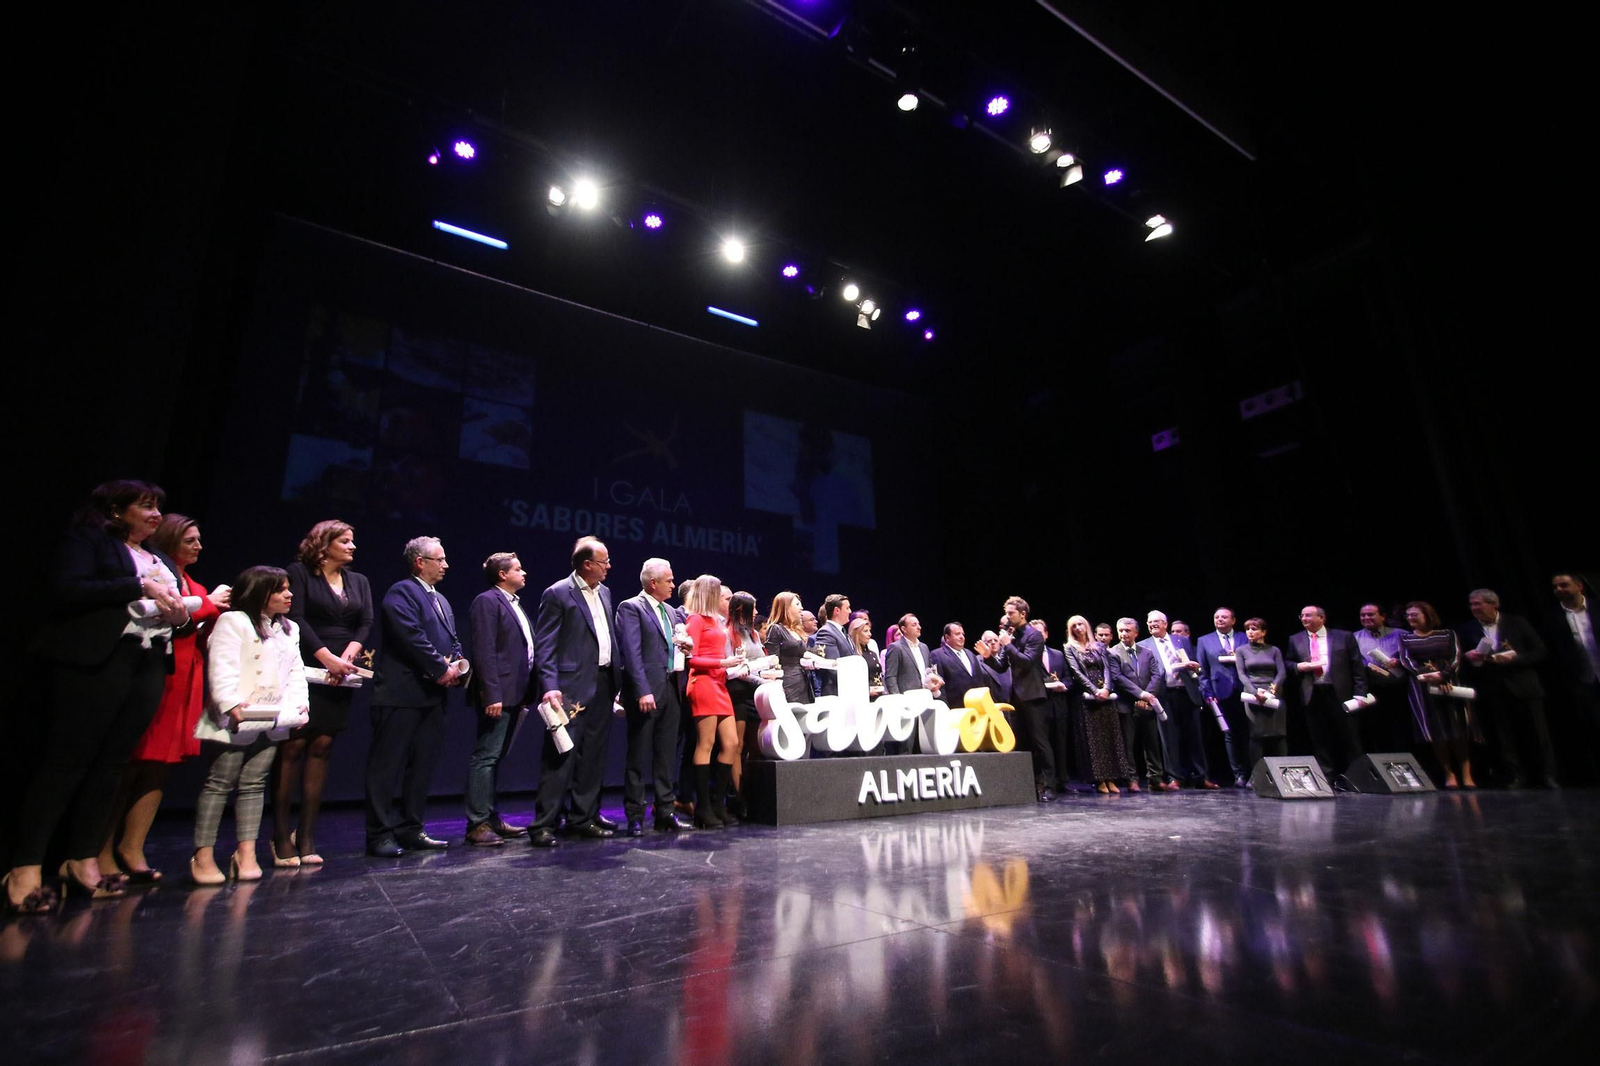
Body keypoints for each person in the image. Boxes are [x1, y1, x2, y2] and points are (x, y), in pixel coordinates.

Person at [8, 481, 188, 914]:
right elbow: (68, 590)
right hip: (96, 660)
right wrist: (136, 587)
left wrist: (182, 615)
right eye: (146, 507)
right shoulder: (90, 543)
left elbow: (175, 609)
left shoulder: (159, 559)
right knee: (65, 762)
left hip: (146, 664)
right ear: (115, 510)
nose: (156, 515)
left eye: (158, 508)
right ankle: (25, 867)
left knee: (112, 765)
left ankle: (82, 859)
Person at [99, 513, 230, 884]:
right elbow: (177, 618)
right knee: (131, 764)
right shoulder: (160, 578)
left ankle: (133, 847)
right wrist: (208, 603)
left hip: (187, 677)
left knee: (159, 766)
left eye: (199, 540)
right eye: (191, 539)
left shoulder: (194, 584)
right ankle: (101, 849)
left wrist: (215, 615)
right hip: (159, 675)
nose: (199, 546)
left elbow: (198, 632)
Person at [190, 567, 309, 884]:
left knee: (254, 784)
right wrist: (229, 704)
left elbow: (294, 671)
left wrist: (300, 705)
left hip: (271, 717)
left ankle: (246, 852)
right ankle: (202, 855)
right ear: (260, 593)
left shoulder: (289, 629)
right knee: (220, 784)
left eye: (288, 589)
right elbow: (222, 666)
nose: (289, 595)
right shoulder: (234, 622)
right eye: (281, 590)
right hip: (237, 718)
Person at [277, 520, 372, 866]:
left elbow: (365, 622)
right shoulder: (299, 573)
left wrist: (349, 654)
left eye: (352, 541)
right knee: (294, 745)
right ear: (324, 542)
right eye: (345, 541)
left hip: (340, 673)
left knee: (322, 744)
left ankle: (306, 835)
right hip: (305, 662)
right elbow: (296, 617)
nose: (352, 546)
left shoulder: (358, 581)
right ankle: (279, 835)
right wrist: (325, 656)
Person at [365, 537, 463, 857]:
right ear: (420, 562)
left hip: (432, 696)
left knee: (422, 766)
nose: (446, 565)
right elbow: (410, 636)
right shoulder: (402, 591)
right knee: (387, 766)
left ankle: (411, 829)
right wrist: (439, 667)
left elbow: (452, 641)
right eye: (440, 559)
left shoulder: (442, 601)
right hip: (401, 694)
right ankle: (379, 834)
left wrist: (457, 667)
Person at [529, 537, 619, 846]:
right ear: (587, 564)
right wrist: (550, 686)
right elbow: (546, 644)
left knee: (593, 756)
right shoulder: (558, 593)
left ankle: (582, 818)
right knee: (560, 756)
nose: (609, 566)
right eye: (604, 561)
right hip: (569, 687)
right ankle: (544, 824)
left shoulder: (604, 593)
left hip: (604, 683)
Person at [614, 558, 693, 836]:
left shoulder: (672, 612)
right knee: (638, 755)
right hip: (647, 691)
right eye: (669, 580)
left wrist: (687, 650)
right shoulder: (631, 607)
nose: (673, 584)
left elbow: (675, 650)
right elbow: (631, 653)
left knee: (665, 755)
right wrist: (642, 689)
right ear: (653, 583)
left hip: (671, 688)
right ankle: (635, 815)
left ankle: (665, 811)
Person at [463, 553, 535, 846]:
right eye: (518, 569)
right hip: (498, 694)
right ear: (502, 575)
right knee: (486, 756)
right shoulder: (487, 601)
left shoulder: (512, 603)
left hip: (516, 693)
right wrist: (491, 693)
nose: (524, 572)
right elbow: (484, 649)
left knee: (497, 757)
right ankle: (477, 823)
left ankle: (490, 817)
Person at [1461, 589, 1557, 788]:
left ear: (1493, 604)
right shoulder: (1468, 629)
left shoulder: (1517, 623)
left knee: (1537, 733)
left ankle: (1546, 775)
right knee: (1503, 736)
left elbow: (1540, 652)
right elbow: (1462, 660)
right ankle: (1514, 775)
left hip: (1523, 686)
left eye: (1478, 604)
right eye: (1472, 605)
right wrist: (1470, 658)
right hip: (1492, 689)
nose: (1474, 608)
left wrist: (1515, 658)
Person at [684, 575, 744, 827]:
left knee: (730, 743)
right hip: (703, 684)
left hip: (719, 684)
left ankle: (717, 804)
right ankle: (704, 807)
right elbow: (691, 658)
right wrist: (722, 662)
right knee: (706, 743)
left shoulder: (715, 622)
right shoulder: (695, 620)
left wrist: (732, 660)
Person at [1398, 601, 1476, 789]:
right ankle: (1449, 774)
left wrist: (1443, 675)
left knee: (1458, 730)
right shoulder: (1406, 638)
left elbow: (1456, 657)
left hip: (1450, 684)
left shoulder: (1447, 634)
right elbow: (1407, 661)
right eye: (1408, 615)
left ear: (1427, 615)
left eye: (1414, 614)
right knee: (1436, 732)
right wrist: (1428, 676)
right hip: (1423, 688)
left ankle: (1467, 774)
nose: (1410, 618)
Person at [1285, 605, 1368, 777]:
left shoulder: (1343, 637)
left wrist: (1360, 693)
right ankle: (1327, 776)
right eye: (1302, 616)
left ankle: (1355, 776)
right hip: (1313, 693)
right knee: (1320, 738)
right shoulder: (1296, 639)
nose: (1304, 619)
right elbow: (1288, 662)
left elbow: (1357, 667)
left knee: (1349, 736)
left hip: (1340, 693)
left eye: (1309, 615)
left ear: (1322, 618)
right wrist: (1298, 667)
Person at [989, 596, 1057, 801]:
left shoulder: (1033, 635)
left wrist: (1008, 645)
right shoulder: (1010, 634)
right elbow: (1001, 666)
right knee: (1022, 742)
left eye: (1011, 613)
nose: (1007, 617)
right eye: (1006, 613)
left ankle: (1050, 785)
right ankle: (1029, 785)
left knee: (1040, 742)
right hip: (1016, 697)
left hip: (1033, 696)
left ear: (1022, 614)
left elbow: (1027, 663)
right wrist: (987, 657)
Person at [1140, 611, 1216, 789]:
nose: (1152, 625)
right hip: (1164, 695)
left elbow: (1195, 669)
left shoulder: (1181, 640)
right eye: (1149, 622)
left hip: (1187, 693)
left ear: (1165, 623)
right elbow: (1146, 674)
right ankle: (1175, 777)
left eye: (1156, 621)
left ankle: (1201, 776)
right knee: (1169, 738)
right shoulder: (1143, 646)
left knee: (1195, 737)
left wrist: (1193, 668)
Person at [1064, 615, 1133, 794]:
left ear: (1086, 626)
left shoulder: (1099, 646)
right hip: (1087, 698)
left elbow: (1107, 669)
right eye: (1074, 626)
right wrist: (1095, 691)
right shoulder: (1069, 648)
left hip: (1105, 696)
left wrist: (1107, 689)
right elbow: (1076, 672)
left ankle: (1112, 779)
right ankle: (1100, 780)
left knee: (1110, 738)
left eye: (1081, 624)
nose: (1078, 628)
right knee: (1094, 742)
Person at [1107, 617, 1172, 790]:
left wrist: (1148, 696)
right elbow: (1117, 678)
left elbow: (1157, 675)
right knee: (1129, 745)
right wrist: (1140, 694)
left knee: (1151, 743)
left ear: (1136, 632)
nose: (1123, 634)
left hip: (1147, 704)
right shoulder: (1113, 653)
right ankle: (1132, 779)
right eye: (1120, 630)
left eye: (1127, 630)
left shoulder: (1147, 652)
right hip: (1126, 705)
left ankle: (1155, 779)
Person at [1548, 571, 1599, 780]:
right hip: (1581, 680)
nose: (1559, 589)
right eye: (1556, 587)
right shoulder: (1553, 617)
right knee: (1593, 727)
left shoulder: (1596, 609)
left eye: (1564, 585)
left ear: (1579, 586)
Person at [1195, 607, 1252, 788]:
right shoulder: (1204, 640)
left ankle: (1254, 773)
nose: (1220, 620)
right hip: (1220, 693)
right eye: (1216, 617)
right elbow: (1202, 670)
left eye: (1224, 617)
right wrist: (1207, 693)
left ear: (1233, 620)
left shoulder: (1245, 637)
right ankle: (1239, 774)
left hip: (1246, 692)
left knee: (1249, 733)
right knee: (1230, 735)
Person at [725, 591, 765, 814]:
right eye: (754, 608)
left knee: (755, 746)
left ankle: (754, 793)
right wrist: (760, 678)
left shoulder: (754, 635)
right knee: (738, 745)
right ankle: (739, 798)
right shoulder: (728, 634)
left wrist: (767, 672)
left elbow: (758, 662)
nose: (757, 612)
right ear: (741, 610)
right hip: (738, 692)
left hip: (756, 693)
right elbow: (734, 670)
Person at [1355, 603, 1411, 754]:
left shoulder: (1402, 634)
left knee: (1401, 731)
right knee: (1376, 731)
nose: (1366, 618)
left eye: (1371, 614)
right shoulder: (1355, 638)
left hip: (1399, 689)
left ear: (1383, 616)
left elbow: (1414, 659)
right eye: (1363, 615)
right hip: (1372, 690)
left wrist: (1400, 662)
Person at [1233, 617, 1289, 765]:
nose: (1250, 632)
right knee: (1256, 734)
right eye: (1248, 629)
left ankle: (1283, 773)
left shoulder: (1274, 650)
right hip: (1253, 695)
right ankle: (1257, 774)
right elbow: (1242, 674)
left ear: (1263, 632)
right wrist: (1254, 692)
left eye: (1254, 629)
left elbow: (1281, 672)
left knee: (1278, 734)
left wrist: (1272, 690)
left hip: (1274, 694)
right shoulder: (1241, 650)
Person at [883, 613, 940, 754]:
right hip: (907, 704)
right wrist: (898, 701)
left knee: (925, 743)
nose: (919, 627)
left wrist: (935, 681)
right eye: (914, 625)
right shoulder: (896, 648)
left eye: (918, 624)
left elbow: (928, 671)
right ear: (904, 629)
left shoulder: (924, 648)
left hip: (925, 701)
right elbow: (890, 677)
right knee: (906, 746)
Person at [1031, 619, 1074, 791]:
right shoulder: (1029, 657)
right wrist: (1048, 685)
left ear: (1046, 634)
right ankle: (1043, 781)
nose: (1038, 636)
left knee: (1061, 744)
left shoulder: (1057, 654)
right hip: (1040, 707)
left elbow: (1068, 678)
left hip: (1059, 705)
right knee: (1042, 746)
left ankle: (1063, 780)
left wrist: (1063, 686)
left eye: (1040, 632)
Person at [932, 623, 1001, 712]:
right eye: (957, 634)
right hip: (956, 709)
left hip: (977, 707)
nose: (961, 637)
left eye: (962, 634)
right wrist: (945, 709)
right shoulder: (937, 655)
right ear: (947, 637)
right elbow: (940, 685)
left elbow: (980, 682)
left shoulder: (970, 654)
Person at [764, 592, 817, 705]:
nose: (801, 608)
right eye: (797, 604)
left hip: (803, 683)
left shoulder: (797, 630)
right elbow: (772, 661)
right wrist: (776, 686)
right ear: (786, 607)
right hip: (787, 685)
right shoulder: (776, 629)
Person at [812, 593, 854, 695]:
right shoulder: (826, 632)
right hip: (837, 692)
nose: (850, 611)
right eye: (847, 608)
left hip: (849, 691)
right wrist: (853, 684)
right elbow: (833, 667)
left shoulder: (842, 631)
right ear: (837, 610)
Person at [849, 616, 885, 695]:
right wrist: (867, 691)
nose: (870, 634)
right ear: (856, 634)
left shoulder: (873, 653)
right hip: (864, 696)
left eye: (869, 631)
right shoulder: (853, 656)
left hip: (880, 693)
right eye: (866, 631)